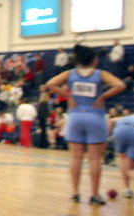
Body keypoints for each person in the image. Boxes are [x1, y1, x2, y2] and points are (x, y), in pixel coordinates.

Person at [46, 44, 125, 204]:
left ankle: (75, 193)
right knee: (95, 159)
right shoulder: (99, 74)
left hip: (75, 117)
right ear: (94, 60)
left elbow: (50, 84)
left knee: (75, 158)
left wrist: (68, 96)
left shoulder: (71, 74)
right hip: (95, 116)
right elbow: (120, 85)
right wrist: (102, 97)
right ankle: (94, 194)